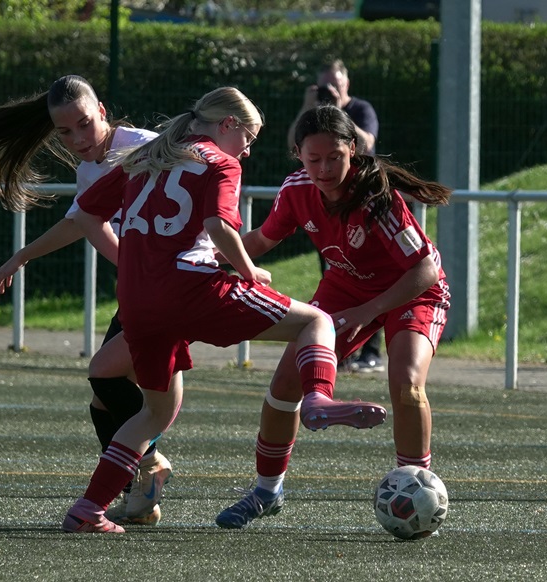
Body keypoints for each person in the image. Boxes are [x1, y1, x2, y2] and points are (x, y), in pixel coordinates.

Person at [66, 87, 388, 534]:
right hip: (191, 288)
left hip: (138, 299)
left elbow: (84, 215)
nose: (248, 150)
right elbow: (218, 225)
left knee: (152, 412)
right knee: (316, 321)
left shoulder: (148, 156)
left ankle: (89, 508)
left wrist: (133, 262)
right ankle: (317, 397)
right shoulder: (220, 161)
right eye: (248, 138)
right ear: (228, 125)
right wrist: (248, 270)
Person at [0, 75, 173, 526]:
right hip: (143, 291)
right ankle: (141, 497)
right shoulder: (89, 170)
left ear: (102, 111)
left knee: (106, 378)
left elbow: (199, 179)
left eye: (84, 124)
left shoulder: (145, 148)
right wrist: (22, 256)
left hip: (171, 288)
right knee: (103, 402)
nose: (78, 139)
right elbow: (79, 222)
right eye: (65, 132)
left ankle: (150, 463)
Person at [216, 105, 452, 529]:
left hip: (412, 292)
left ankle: (417, 488)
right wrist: (208, 259)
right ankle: (267, 492)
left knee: (406, 382)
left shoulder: (375, 197)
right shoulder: (296, 189)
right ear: (298, 155)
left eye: (334, 158)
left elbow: (426, 269)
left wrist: (369, 310)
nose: (324, 169)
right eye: (314, 159)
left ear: (353, 150)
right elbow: (263, 239)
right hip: (346, 287)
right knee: (285, 384)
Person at [286, 58, 385, 374]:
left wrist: (338, 113)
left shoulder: (361, 109)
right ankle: (338, 349)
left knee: (371, 274)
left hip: (359, 203)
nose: (330, 89)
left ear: (347, 83)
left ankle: (371, 351)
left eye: (336, 83)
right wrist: (308, 107)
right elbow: (293, 144)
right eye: (325, 85)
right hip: (326, 208)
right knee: (335, 276)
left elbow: (367, 143)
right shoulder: (312, 115)